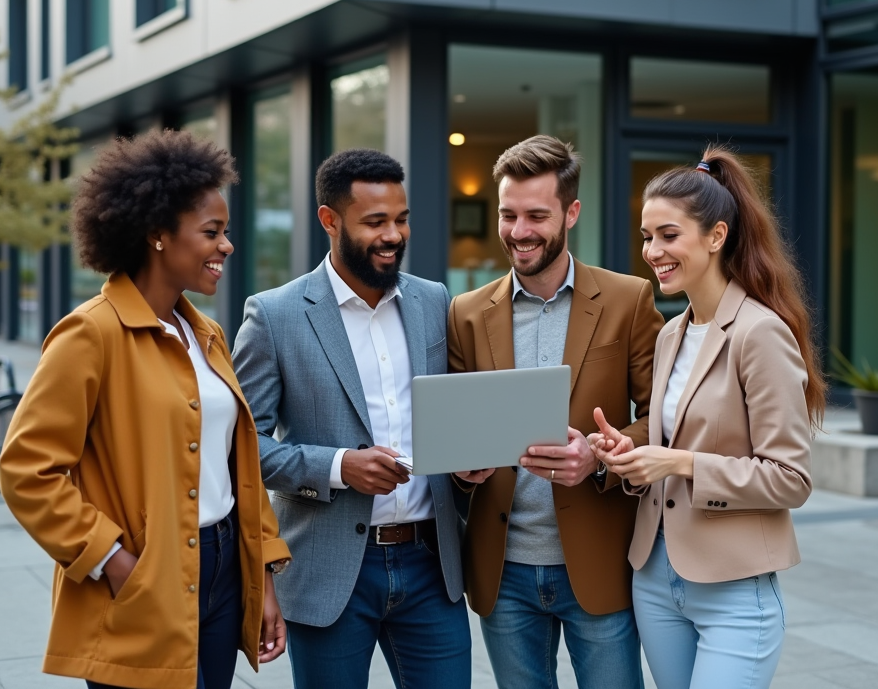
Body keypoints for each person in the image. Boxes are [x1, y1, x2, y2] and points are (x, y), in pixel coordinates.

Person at [0, 130, 291, 689]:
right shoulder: (90, 333)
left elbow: (238, 467)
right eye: (212, 232)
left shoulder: (206, 334)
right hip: (143, 575)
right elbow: (26, 471)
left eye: (226, 232)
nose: (227, 246)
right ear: (158, 234)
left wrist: (263, 575)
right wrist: (110, 560)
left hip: (226, 567)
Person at [233, 149, 470, 688]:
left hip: (431, 564)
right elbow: (242, 445)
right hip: (330, 568)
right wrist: (340, 467)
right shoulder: (274, 315)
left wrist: (467, 462)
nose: (393, 236)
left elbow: (453, 411)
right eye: (375, 222)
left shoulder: (434, 300)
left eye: (401, 219)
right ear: (330, 220)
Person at [590, 146, 822, 689]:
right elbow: (670, 446)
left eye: (668, 235)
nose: (653, 251)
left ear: (717, 236)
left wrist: (681, 462)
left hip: (734, 588)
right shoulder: (671, 333)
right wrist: (629, 457)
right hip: (655, 579)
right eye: (647, 236)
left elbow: (791, 479)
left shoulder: (759, 333)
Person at [447, 135, 664, 689]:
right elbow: (455, 431)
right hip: (503, 570)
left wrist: (598, 457)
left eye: (536, 216)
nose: (519, 231)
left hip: (599, 561)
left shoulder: (629, 300)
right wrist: (463, 469)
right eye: (508, 215)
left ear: (571, 213)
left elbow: (664, 419)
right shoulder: (465, 313)